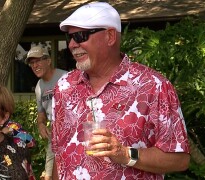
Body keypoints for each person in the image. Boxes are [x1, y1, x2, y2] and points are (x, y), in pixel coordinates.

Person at [51, 2, 190, 179]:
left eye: (80, 36)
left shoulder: (154, 86)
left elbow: (179, 159)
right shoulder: (64, 86)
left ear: (110, 36)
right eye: (68, 38)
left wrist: (125, 154)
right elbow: (59, 155)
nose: (71, 44)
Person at [25, 46, 67, 180]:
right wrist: (41, 125)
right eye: (32, 63)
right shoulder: (39, 87)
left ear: (48, 60)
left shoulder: (66, 77)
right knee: (49, 174)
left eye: (38, 61)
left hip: (72, 130)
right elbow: (41, 113)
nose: (34, 65)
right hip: (54, 133)